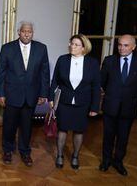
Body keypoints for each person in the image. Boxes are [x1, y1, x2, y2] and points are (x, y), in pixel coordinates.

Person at [0, 21, 50, 167]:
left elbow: (45, 73)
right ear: (18, 32)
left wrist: (43, 94)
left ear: (33, 33)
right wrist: (0, 94)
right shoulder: (7, 48)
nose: (27, 34)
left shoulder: (41, 48)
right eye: (24, 31)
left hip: (31, 95)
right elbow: (0, 73)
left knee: (27, 126)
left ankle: (25, 152)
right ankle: (7, 150)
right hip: (11, 95)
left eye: (30, 31)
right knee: (9, 125)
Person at [49, 34, 100, 170]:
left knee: (79, 131)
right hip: (64, 101)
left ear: (84, 48)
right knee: (62, 129)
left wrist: (95, 107)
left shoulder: (92, 63)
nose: (72, 46)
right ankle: (60, 155)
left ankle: (75, 156)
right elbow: (54, 81)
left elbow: (96, 86)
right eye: (71, 43)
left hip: (83, 103)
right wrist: (50, 99)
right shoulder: (63, 60)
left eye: (76, 44)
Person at [99, 34, 137, 176]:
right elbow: (103, 82)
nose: (122, 48)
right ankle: (106, 161)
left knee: (123, 137)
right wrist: (113, 95)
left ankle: (118, 161)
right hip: (110, 105)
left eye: (126, 45)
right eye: (120, 44)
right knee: (108, 135)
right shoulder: (109, 61)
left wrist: (127, 96)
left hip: (128, 107)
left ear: (133, 47)